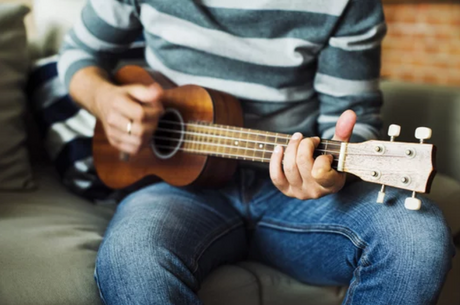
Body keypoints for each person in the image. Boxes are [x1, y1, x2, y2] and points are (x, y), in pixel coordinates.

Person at [58, 0, 454, 304]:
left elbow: (354, 120)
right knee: (132, 257)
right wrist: (104, 98)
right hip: (175, 187)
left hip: (294, 194)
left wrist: (334, 175)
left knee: (418, 235)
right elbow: (78, 55)